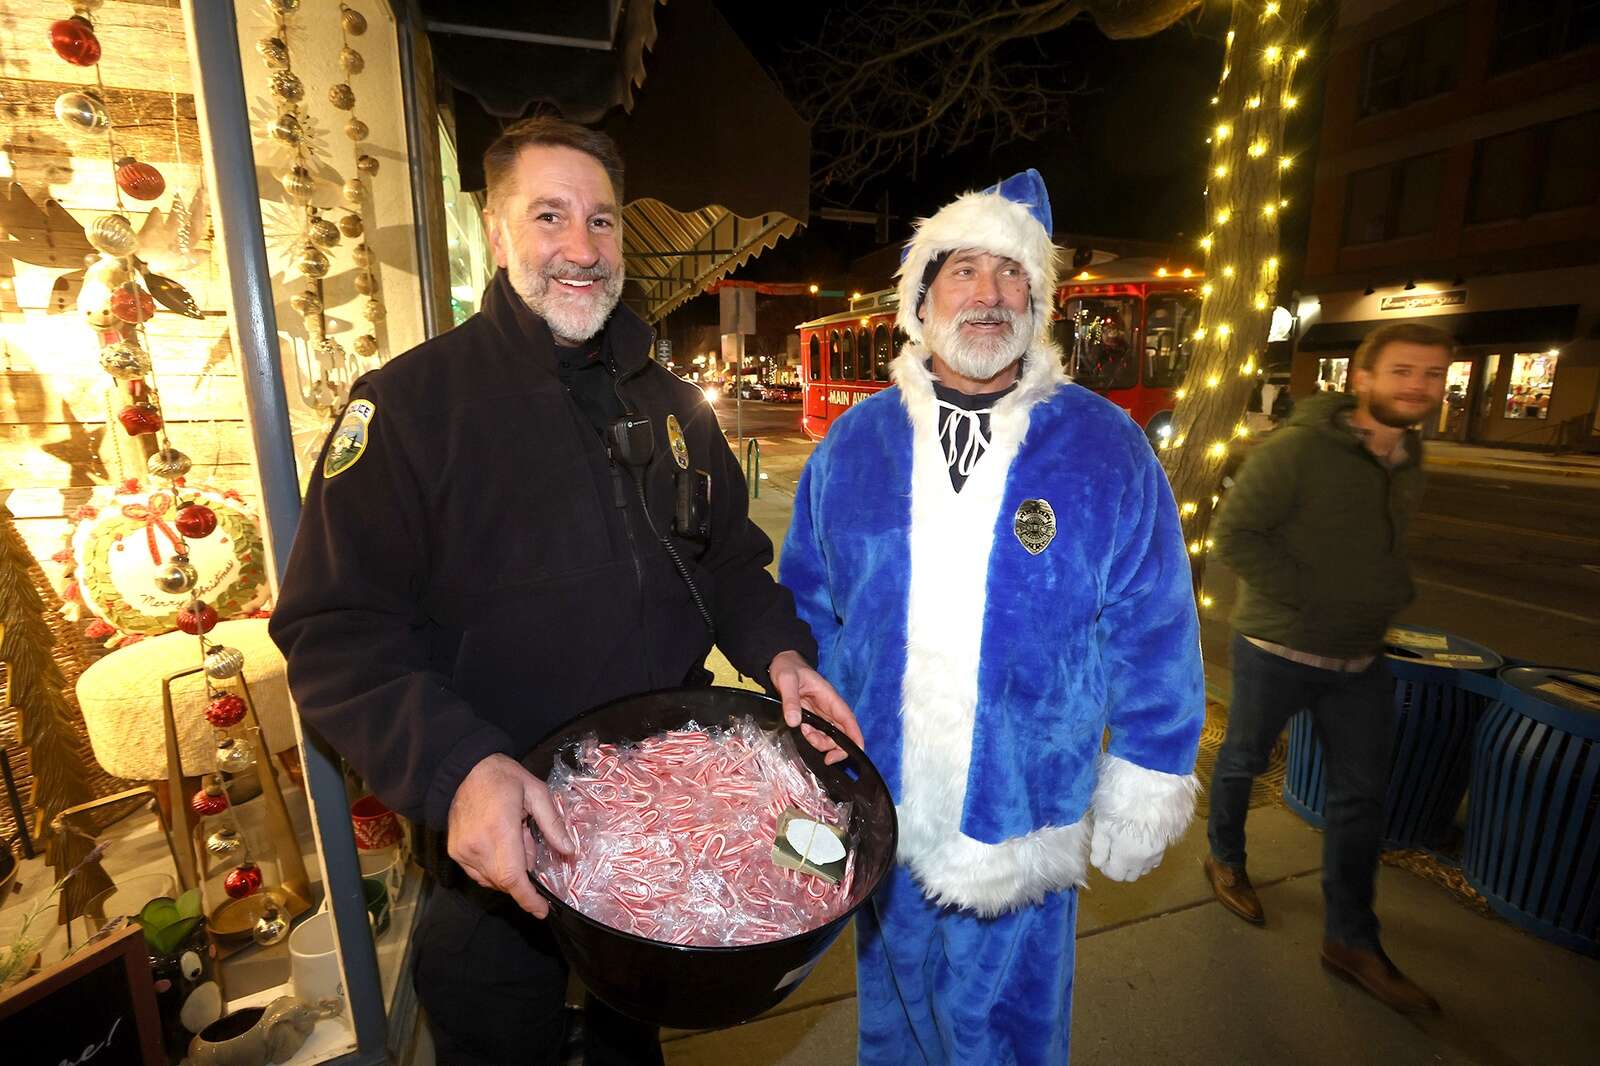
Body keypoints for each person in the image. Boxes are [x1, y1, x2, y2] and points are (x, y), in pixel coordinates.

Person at [269, 116, 861, 1066]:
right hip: (498, 844)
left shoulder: (671, 406)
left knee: (633, 1045)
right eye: (549, 217)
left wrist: (782, 653)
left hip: (653, 825)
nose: (581, 249)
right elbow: (335, 630)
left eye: (602, 220)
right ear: (499, 236)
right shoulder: (414, 405)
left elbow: (728, 562)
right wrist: (459, 765)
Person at [779, 170, 1206, 1064]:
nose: (988, 294)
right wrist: (801, 754)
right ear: (922, 297)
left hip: (1022, 820)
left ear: (1038, 301)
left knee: (1004, 1040)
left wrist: (1148, 771)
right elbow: (805, 606)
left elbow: (1156, 624)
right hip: (880, 804)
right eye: (963, 269)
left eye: (1011, 273)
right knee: (891, 1032)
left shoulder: (1105, 446)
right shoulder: (853, 445)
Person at [1204, 321, 1454, 1015]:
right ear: (1363, 378)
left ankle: (1351, 940)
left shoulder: (1409, 457)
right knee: (1244, 759)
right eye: (1403, 371)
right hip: (1277, 648)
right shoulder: (1298, 450)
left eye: (1432, 375)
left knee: (1360, 800)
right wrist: (1316, 596)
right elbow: (1235, 536)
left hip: (1362, 656)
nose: (1418, 387)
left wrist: (1387, 593)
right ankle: (1225, 857)